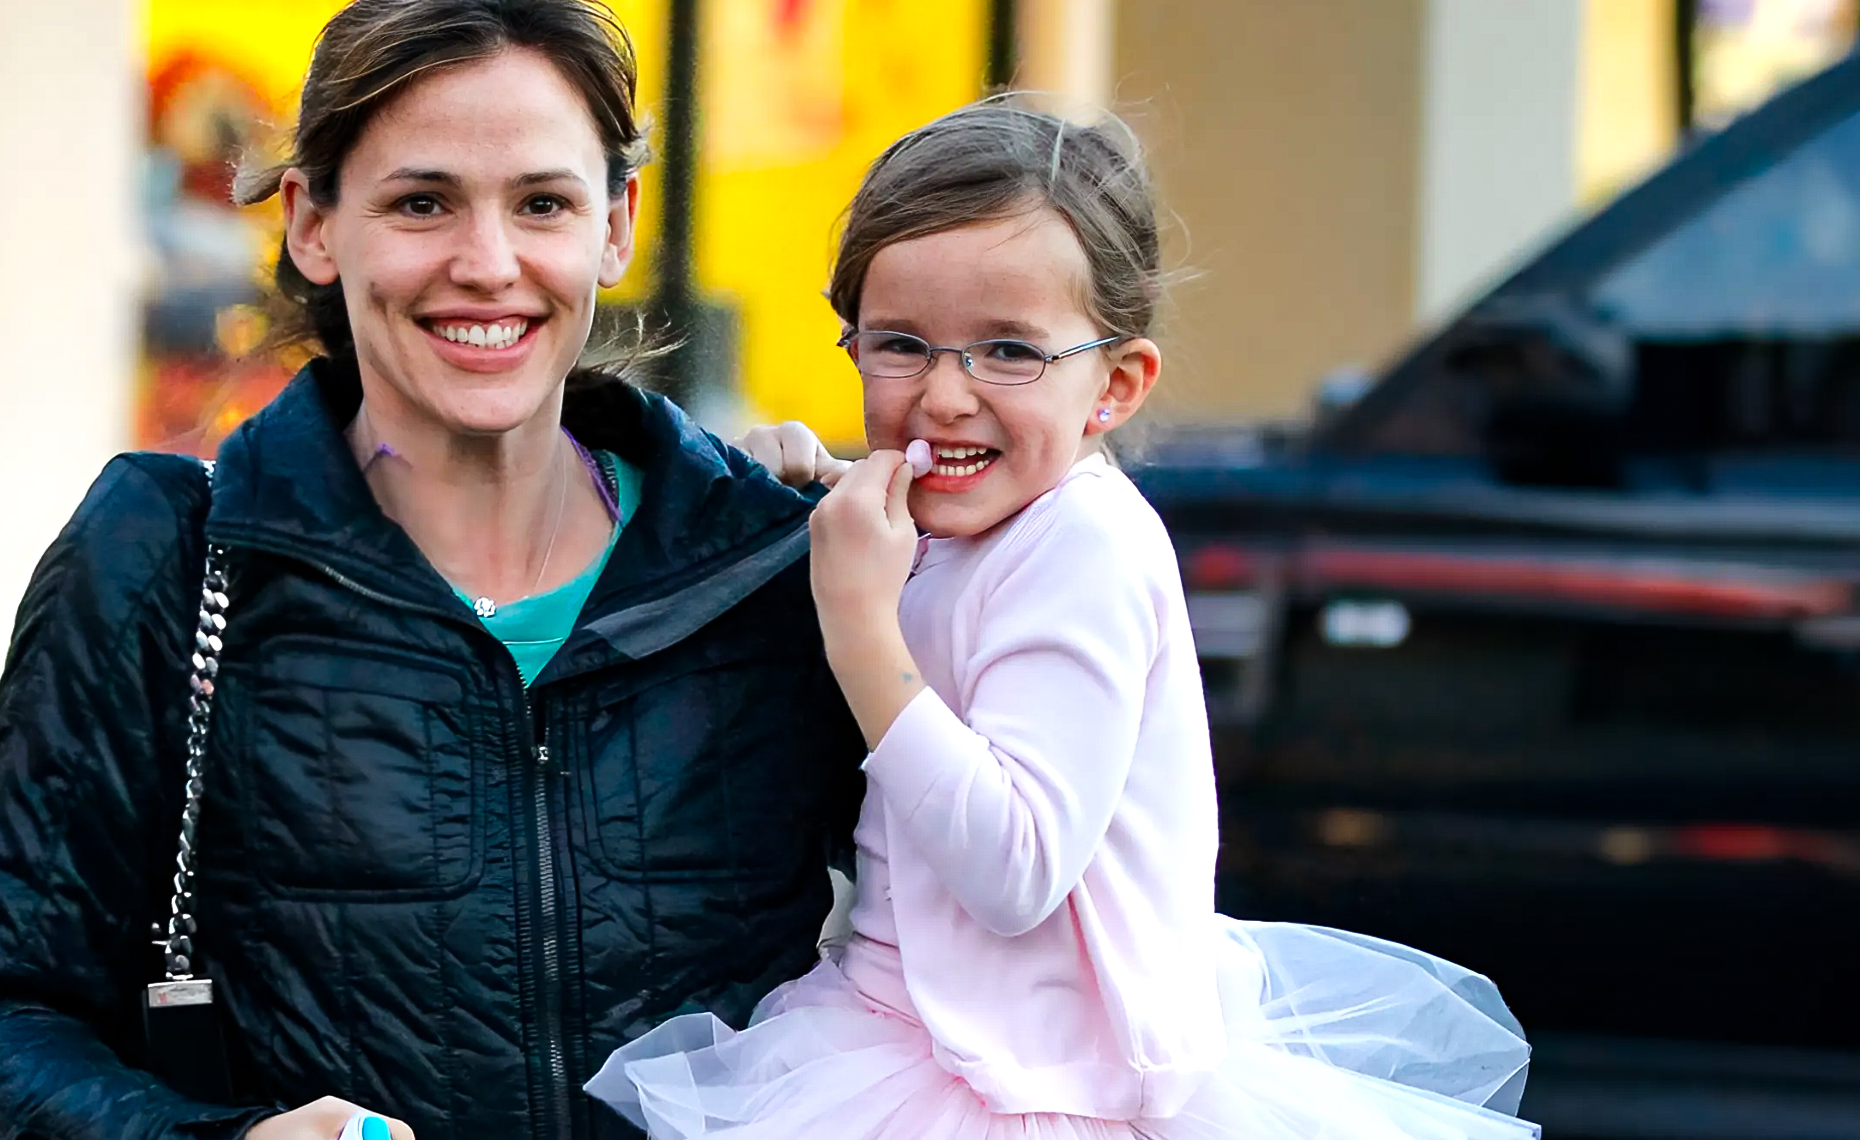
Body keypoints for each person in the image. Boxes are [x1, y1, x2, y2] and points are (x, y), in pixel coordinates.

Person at [0, 0, 864, 1140]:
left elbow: (1031, 953)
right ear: (311, 224)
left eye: (542, 204)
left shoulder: (771, 571)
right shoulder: (169, 561)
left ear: (616, 227)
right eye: (422, 202)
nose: (488, 263)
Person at [589, 102, 1541, 1139]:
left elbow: (1016, 868)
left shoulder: (1085, 548)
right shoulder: (957, 517)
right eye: (902, 345)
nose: (946, 397)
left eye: (1008, 352)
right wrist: (801, 497)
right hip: (899, 1034)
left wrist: (860, 626)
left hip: (1038, 1091)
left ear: (1115, 385)